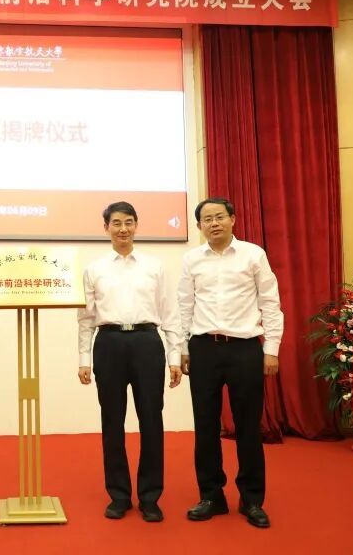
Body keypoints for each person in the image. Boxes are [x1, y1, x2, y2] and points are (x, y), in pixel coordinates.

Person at [178, 197, 283, 529]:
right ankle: (211, 496)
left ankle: (251, 500)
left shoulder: (253, 254)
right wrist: (182, 348)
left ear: (233, 219)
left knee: (248, 426)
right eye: (207, 219)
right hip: (203, 348)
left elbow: (270, 301)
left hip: (245, 349)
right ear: (199, 226)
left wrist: (272, 348)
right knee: (205, 426)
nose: (214, 223)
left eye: (219, 217)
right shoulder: (191, 259)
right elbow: (184, 305)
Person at [77, 201, 183, 523]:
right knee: (112, 420)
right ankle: (119, 495)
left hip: (147, 342)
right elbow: (85, 319)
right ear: (106, 228)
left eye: (128, 222)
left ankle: (150, 497)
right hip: (108, 343)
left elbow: (170, 313)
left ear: (136, 225)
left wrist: (174, 355)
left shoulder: (154, 266)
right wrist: (84, 358)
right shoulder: (94, 269)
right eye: (116, 223)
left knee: (151, 419)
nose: (122, 229)